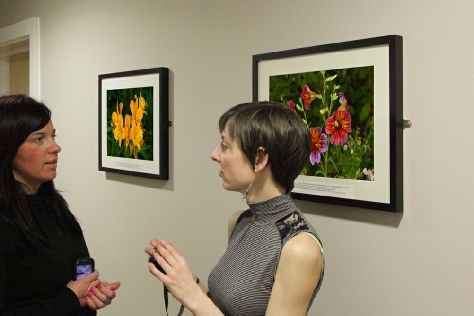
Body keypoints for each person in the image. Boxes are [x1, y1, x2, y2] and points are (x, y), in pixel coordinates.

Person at [145, 101, 324, 315]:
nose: (214, 154)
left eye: (225, 146)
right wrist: (183, 279)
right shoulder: (240, 221)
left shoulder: (300, 249)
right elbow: (227, 309)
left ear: (259, 159)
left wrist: (191, 294)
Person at [0, 94, 121, 315]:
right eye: (39, 139)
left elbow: (57, 282)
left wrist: (89, 293)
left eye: (53, 136)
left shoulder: (52, 205)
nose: (56, 147)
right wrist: (71, 298)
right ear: (8, 148)